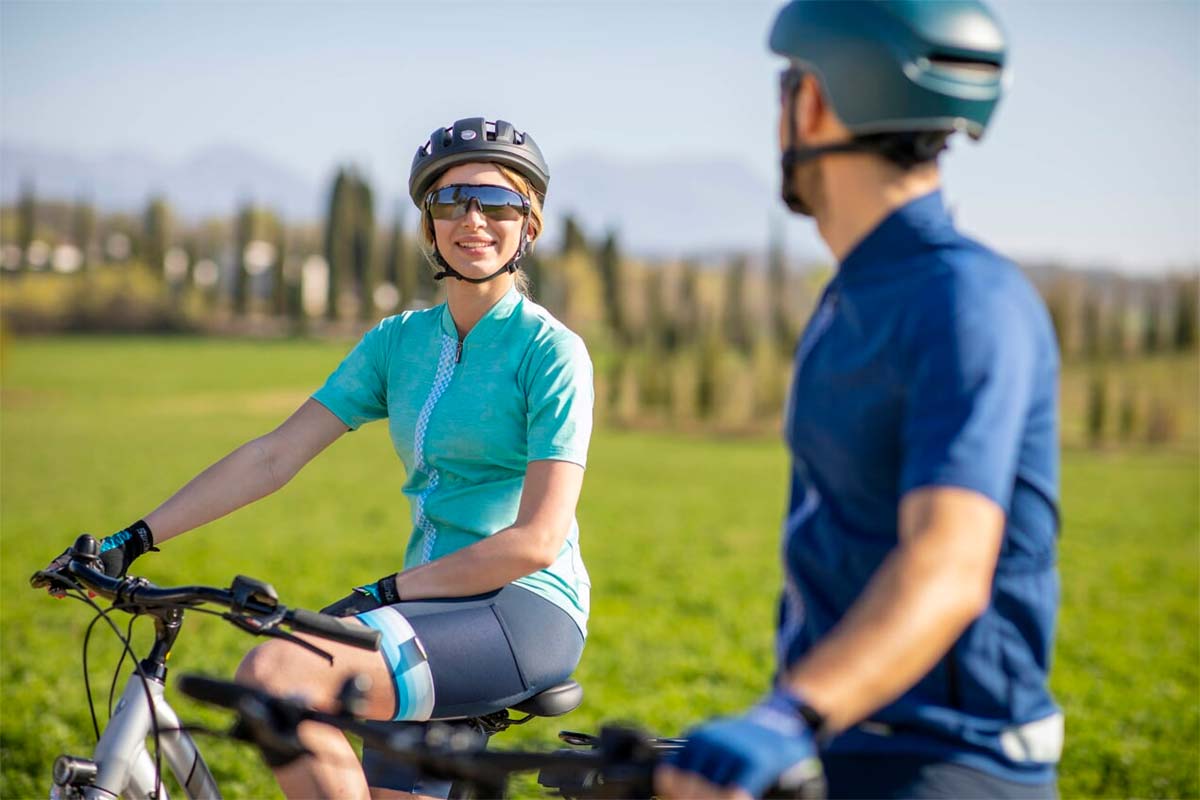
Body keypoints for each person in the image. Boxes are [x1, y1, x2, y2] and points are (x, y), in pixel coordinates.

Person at [45, 117, 594, 800]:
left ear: (529, 225)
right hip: (427, 604)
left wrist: (386, 593)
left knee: (278, 677)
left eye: (497, 201)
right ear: (429, 224)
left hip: (520, 610)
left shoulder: (550, 352)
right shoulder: (399, 343)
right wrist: (136, 538)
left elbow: (536, 540)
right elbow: (275, 455)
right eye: (452, 202)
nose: (473, 219)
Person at [657, 3, 1062, 799]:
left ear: (811, 103)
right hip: (841, 746)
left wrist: (788, 716)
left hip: (948, 766)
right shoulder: (857, 296)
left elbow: (947, 563)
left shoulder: (964, 300)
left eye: (786, 88)